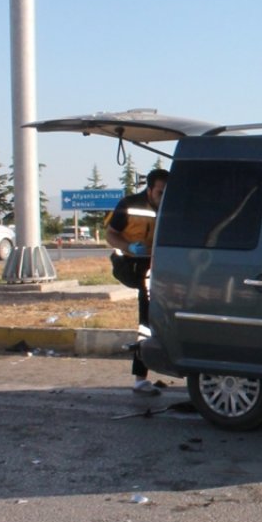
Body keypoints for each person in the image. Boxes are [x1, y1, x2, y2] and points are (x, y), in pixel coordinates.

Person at [106, 169, 169, 396]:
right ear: (149, 189)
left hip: (155, 263)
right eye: (160, 192)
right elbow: (111, 234)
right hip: (131, 264)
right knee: (146, 316)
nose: (163, 197)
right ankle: (140, 378)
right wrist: (128, 247)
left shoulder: (170, 206)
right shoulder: (129, 205)